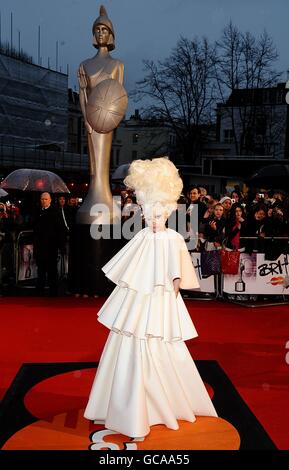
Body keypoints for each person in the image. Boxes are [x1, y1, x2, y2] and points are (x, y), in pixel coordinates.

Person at [84, 157, 217, 439]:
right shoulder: (143, 235)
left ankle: (160, 404)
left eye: (157, 214)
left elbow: (179, 273)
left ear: (168, 211)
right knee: (128, 344)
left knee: (159, 344)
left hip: (160, 302)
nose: (152, 219)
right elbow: (130, 269)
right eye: (148, 213)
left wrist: (173, 288)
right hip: (137, 303)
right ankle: (127, 405)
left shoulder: (173, 239)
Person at [77, 5, 125, 223]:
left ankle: (103, 196)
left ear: (111, 34)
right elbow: (83, 92)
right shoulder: (84, 64)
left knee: (103, 160)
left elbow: (119, 97)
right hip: (91, 121)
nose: (100, 33)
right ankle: (95, 196)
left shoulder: (117, 65)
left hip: (107, 122)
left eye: (104, 29)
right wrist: (86, 118)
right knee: (93, 162)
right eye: (97, 29)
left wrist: (111, 120)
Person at [33, 192, 66, 296]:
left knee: (52, 271)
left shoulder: (55, 212)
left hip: (51, 247)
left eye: (46, 199)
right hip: (39, 247)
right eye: (42, 199)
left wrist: (61, 246)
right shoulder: (37, 212)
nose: (44, 201)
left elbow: (60, 230)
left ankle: (53, 293)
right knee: (41, 271)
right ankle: (40, 292)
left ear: (50, 200)